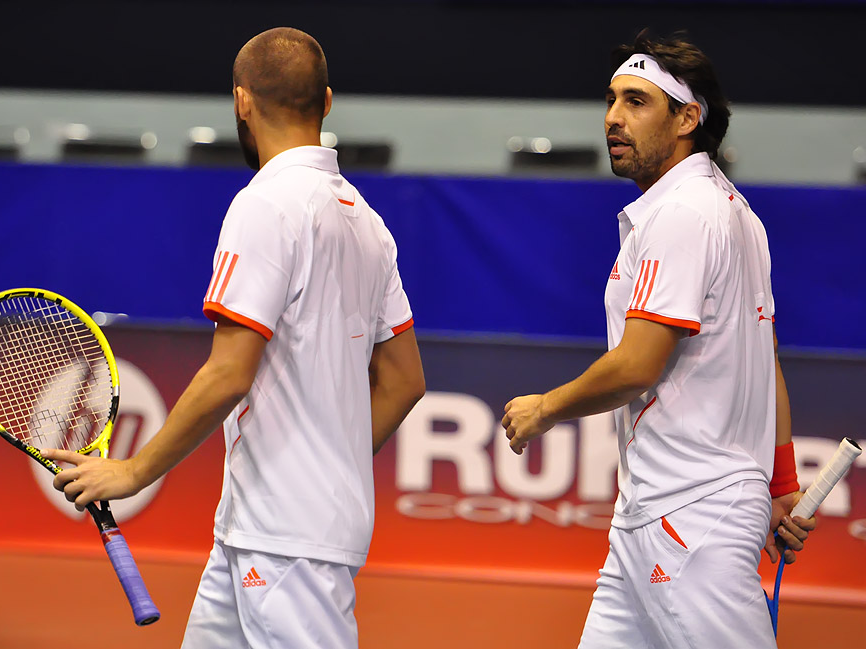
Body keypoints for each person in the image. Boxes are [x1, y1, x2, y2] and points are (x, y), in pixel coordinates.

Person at [42, 27, 425, 649]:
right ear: (326, 102)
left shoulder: (264, 205)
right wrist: (333, 459)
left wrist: (133, 471)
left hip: (285, 540)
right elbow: (406, 382)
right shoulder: (368, 224)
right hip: (259, 532)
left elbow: (229, 372)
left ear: (242, 102)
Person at [501, 31, 815, 648]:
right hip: (654, 517)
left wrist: (546, 408)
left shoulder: (685, 214)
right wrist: (780, 486)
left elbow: (638, 364)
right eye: (612, 100)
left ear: (687, 119)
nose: (613, 118)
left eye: (637, 102)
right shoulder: (734, 212)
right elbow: (766, 362)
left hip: (690, 518)